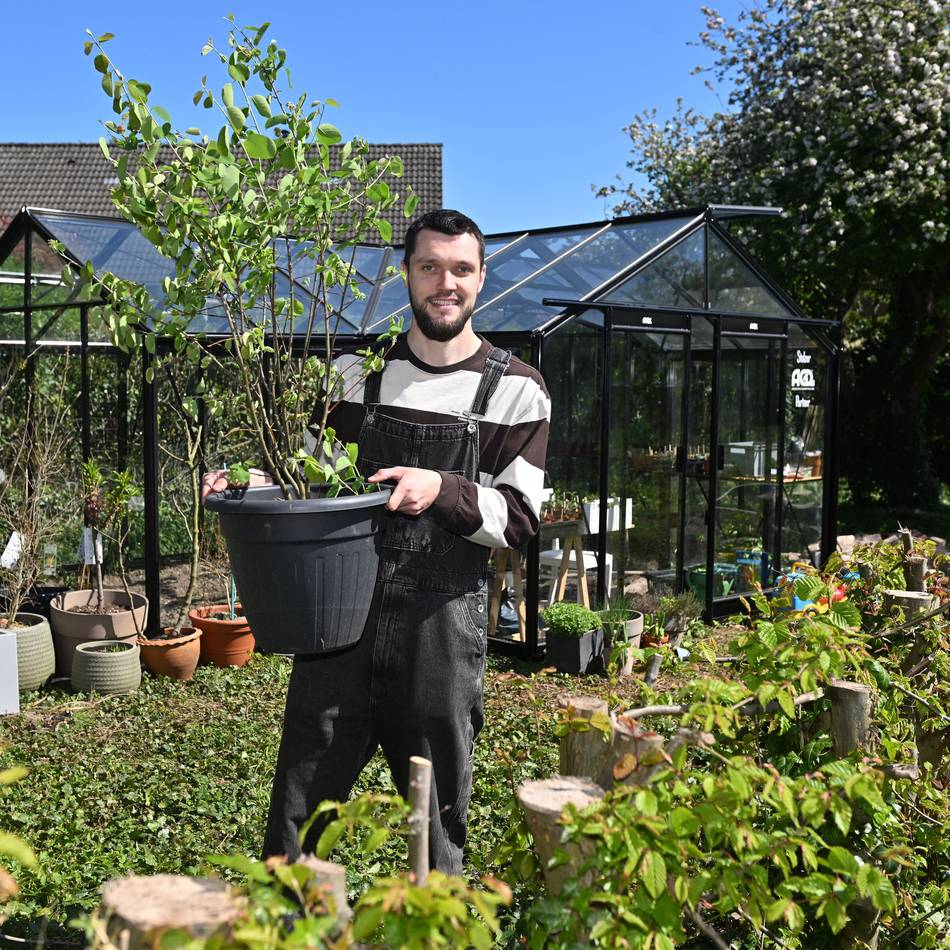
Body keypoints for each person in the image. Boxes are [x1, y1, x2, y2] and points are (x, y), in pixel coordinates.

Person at [204, 209, 550, 874]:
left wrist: (441, 488)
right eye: (429, 268)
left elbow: (520, 519)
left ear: (481, 279)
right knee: (298, 817)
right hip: (337, 626)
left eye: (460, 270)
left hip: (439, 635)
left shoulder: (515, 390)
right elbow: (307, 482)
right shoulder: (353, 376)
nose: (444, 283)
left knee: (437, 825)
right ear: (407, 275)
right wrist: (249, 483)